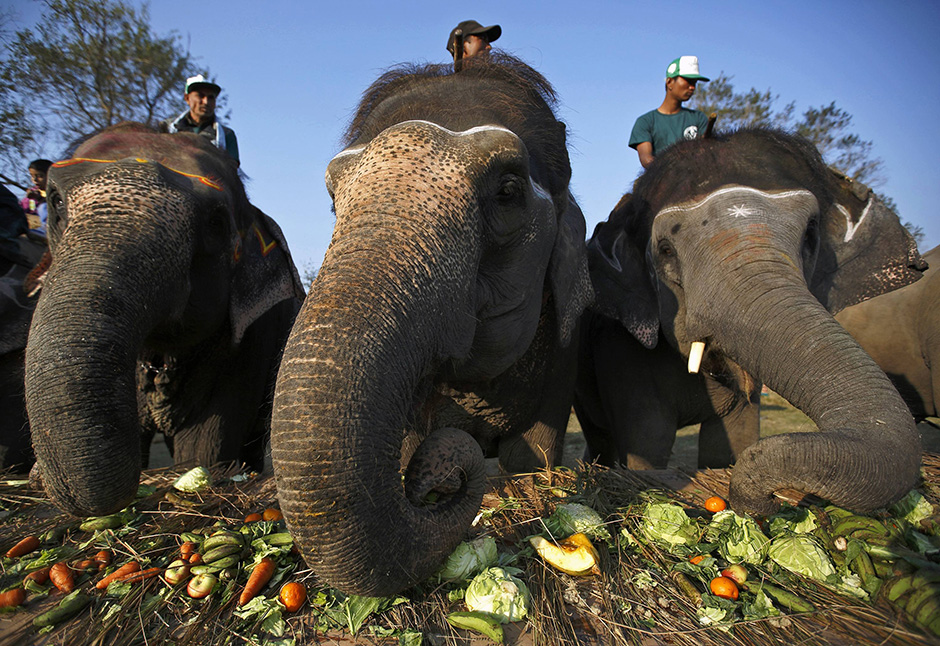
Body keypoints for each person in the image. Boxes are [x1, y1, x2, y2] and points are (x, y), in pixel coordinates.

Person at [629, 56, 710, 169]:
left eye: (694, 83)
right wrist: (675, 168)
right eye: (688, 81)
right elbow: (646, 159)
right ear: (670, 82)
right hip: (661, 179)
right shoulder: (645, 122)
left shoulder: (699, 118)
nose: (692, 87)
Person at [161, 74, 239, 163]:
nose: (206, 102)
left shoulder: (226, 135)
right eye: (200, 96)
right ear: (187, 98)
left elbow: (231, 170)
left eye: (211, 97)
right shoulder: (166, 127)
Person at [19, 159, 52, 235]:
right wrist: (32, 199)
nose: (35, 180)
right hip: (35, 224)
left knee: (43, 206)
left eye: (40, 176)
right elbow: (31, 210)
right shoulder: (33, 194)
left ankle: (47, 231)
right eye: (32, 176)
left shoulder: (56, 192)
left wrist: (40, 199)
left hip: (52, 224)